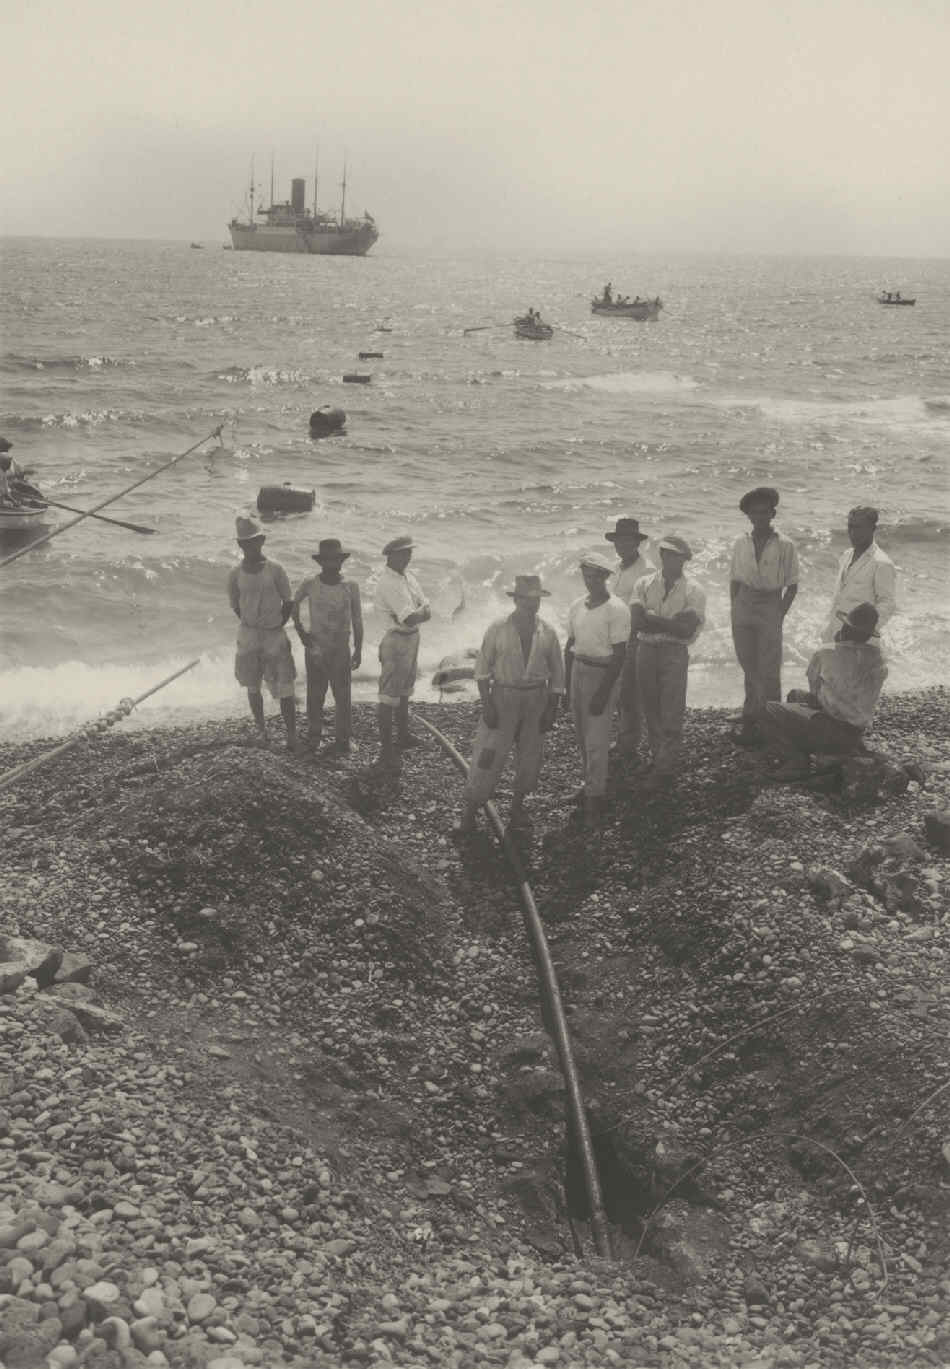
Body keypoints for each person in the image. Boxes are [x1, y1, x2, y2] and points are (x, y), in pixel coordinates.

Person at [455, 574, 564, 837]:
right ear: (516, 600)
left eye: (536, 600)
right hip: (503, 695)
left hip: (536, 697)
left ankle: (517, 808)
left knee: (530, 756)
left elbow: (558, 675)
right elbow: (482, 669)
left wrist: (551, 708)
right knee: (488, 754)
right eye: (527, 599)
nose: (532, 604)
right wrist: (487, 704)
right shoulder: (497, 628)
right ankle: (469, 812)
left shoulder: (547, 632)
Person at [759, 603, 887, 780]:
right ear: (868, 635)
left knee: (768, 709)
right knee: (795, 695)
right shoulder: (878, 657)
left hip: (831, 729)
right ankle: (839, 750)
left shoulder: (826, 652)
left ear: (845, 628)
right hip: (855, 733)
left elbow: (814, 694)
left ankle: (797, 760)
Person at [629, 535, 706, 791]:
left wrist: (655, 618)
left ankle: (666, 768)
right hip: (646, 649)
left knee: (671, 709)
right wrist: (671, 623)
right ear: (661, 556)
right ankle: (658, 759)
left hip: (674, 652)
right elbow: (637, 622)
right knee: (650, 708)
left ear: (685, 559)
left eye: (679, 556)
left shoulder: (694, 590)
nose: (673, 560)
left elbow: (685, 631)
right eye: (668, 554)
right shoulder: (643, 583)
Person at [730, 487, 799, 746]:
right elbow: (734, 579)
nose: (759, 517)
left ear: (773, 513)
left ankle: (772, 724)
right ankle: (750, 715)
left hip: (770, 603)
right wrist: (734, 608)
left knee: (769, 669)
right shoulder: (741, 542)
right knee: (748, 664)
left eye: (764, 512)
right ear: (748, 515)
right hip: (743, 602)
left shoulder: (786, 544)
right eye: (754, 512)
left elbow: (792, 585)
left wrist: (778, 614)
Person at [565, 552, 631, 826]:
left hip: (602, 674)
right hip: (579, 670)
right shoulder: (578, 605)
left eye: (595, 576)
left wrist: (603, 693)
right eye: (586, 575)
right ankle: (588, 784)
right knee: (581, 736)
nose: (590, 581)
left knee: (597, 740)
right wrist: (566, 685)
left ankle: (596, 798)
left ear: (605, 577)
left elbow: (619, 655)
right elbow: (569, 645)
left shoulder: (617, 609)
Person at [227, 516, 297, 749]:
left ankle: (291, 735)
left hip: (274, 634)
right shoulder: (235, 574)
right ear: (239, 545)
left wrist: (277, 624)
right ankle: (261, 730)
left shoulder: (276, 569)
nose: (250, 546)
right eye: (245, 542)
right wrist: (251, 624)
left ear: (262, 540)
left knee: (285, 685)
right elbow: (236, 605)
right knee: (252, 685)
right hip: (248, 635)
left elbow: (288, 601)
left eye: (254, 541)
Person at [292, 538, 363, 755]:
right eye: (329, 560)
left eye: (337, 559)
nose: (334, 563)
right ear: (321, 562)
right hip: (316, 648)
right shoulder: (310, 584)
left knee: (343, 695)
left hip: (341, 648)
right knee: (315, 693)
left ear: (341, 561)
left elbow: (357, 619)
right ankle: (314, 735)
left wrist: (359, 648)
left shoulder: (350, 586)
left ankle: (343, 738)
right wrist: (301, 632)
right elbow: (293, 606)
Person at [374, 534, 431, 769]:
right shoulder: (388, 583)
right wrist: (422, 612)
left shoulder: (408, 577)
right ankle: (386, 747)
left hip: (411, 639)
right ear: (393, 555)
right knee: (389, 697)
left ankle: (403, 736)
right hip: (396, 640)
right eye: (405, 553)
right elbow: (410, 617)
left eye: (410, 553)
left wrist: (423, 612)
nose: (409, 557)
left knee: (405, 690)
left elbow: (426, 606)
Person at [605, 516, 651, 765]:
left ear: (636, 542)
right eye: (618, 540)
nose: (621, 544)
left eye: (627, 540)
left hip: (635, 636)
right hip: (615, 636)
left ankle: (630, 742)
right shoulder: (615, 568)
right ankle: (624, 736)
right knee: (620, 689)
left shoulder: (647, 570)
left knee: (631, 690)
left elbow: (648, 608)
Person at [824, 505, 897, 643]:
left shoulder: (881, 563)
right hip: (834, 633)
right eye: (850, 527)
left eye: (858, 528)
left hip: (860, 641)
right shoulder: (846, 555)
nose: (852, 532)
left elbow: (887, 604)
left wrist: (862, 633)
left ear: (872, 529)